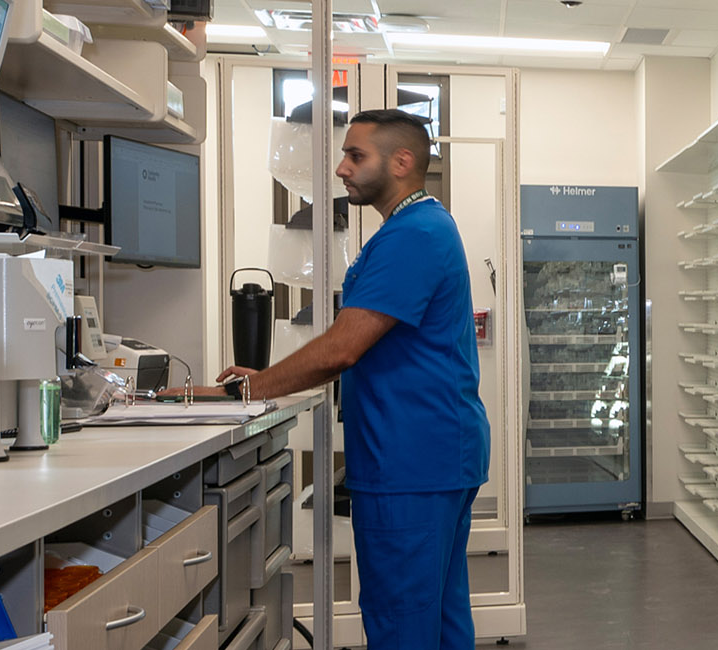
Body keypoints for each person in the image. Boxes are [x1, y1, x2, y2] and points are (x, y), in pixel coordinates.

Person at [172, 109, 489, 649]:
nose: (342, 168)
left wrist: (246, 389)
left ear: (403, 161)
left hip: (410, 462)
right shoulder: (421, 226)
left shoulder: (413, 234)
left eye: (356, 155)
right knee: (438, 616)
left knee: (401, 622)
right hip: (435, 455)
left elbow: (343, 347)